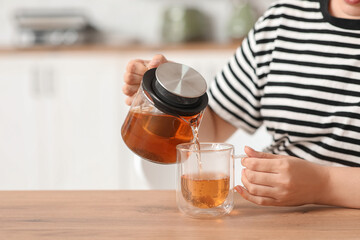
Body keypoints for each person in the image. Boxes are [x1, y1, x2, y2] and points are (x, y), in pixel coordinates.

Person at [122, 0, 360, 208]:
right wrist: (174, 100)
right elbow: (212, 128)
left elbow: (323, 184)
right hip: (273, 215)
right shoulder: (281, 22)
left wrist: (323, 185)